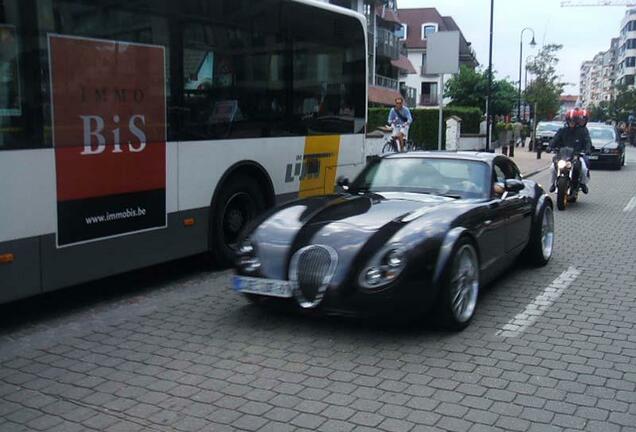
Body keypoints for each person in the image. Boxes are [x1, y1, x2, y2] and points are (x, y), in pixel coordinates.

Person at [548, 109, 591, 194]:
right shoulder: (562, 131)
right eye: (570, 121)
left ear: (576, 121)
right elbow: (555, 139)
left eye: (573, 121)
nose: (572, 123)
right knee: (552, 168)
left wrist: (587, 149)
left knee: (584, 169)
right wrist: (550, 146)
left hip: (576, 155)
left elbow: (587, 141)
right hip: (562, 155)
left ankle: (582, 184)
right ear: (567, 121)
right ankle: (553, 183)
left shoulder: (582, 131)